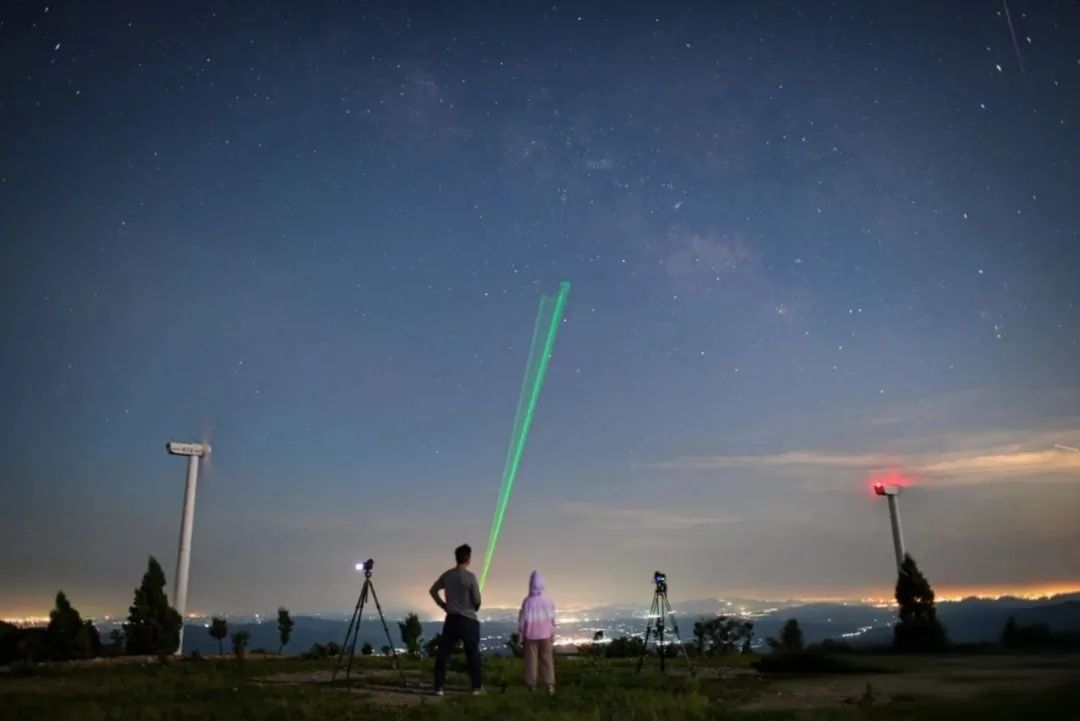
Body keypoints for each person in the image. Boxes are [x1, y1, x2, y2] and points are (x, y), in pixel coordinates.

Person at [429, 543, 483, 695]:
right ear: (468, 559)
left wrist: (443, 605)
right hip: (469, 620)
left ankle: (439, 687)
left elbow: (433, 591)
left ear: (456, 558)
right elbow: (477, 600)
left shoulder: (447, 575)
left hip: (452, 619)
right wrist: (474, 607)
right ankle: (476, 687)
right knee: (472, 654)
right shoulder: (470, 577)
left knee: (444, 653)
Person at [518, 570, 556, 695]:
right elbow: (552, 619)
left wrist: (520, 635)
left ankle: (532, 686)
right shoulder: (548, 601)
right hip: (546, 634)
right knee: (547, 659)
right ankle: (549, 685)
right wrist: (552, 633)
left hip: (530, 635)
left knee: (531, 660)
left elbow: (522, 620)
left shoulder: (527, 601)